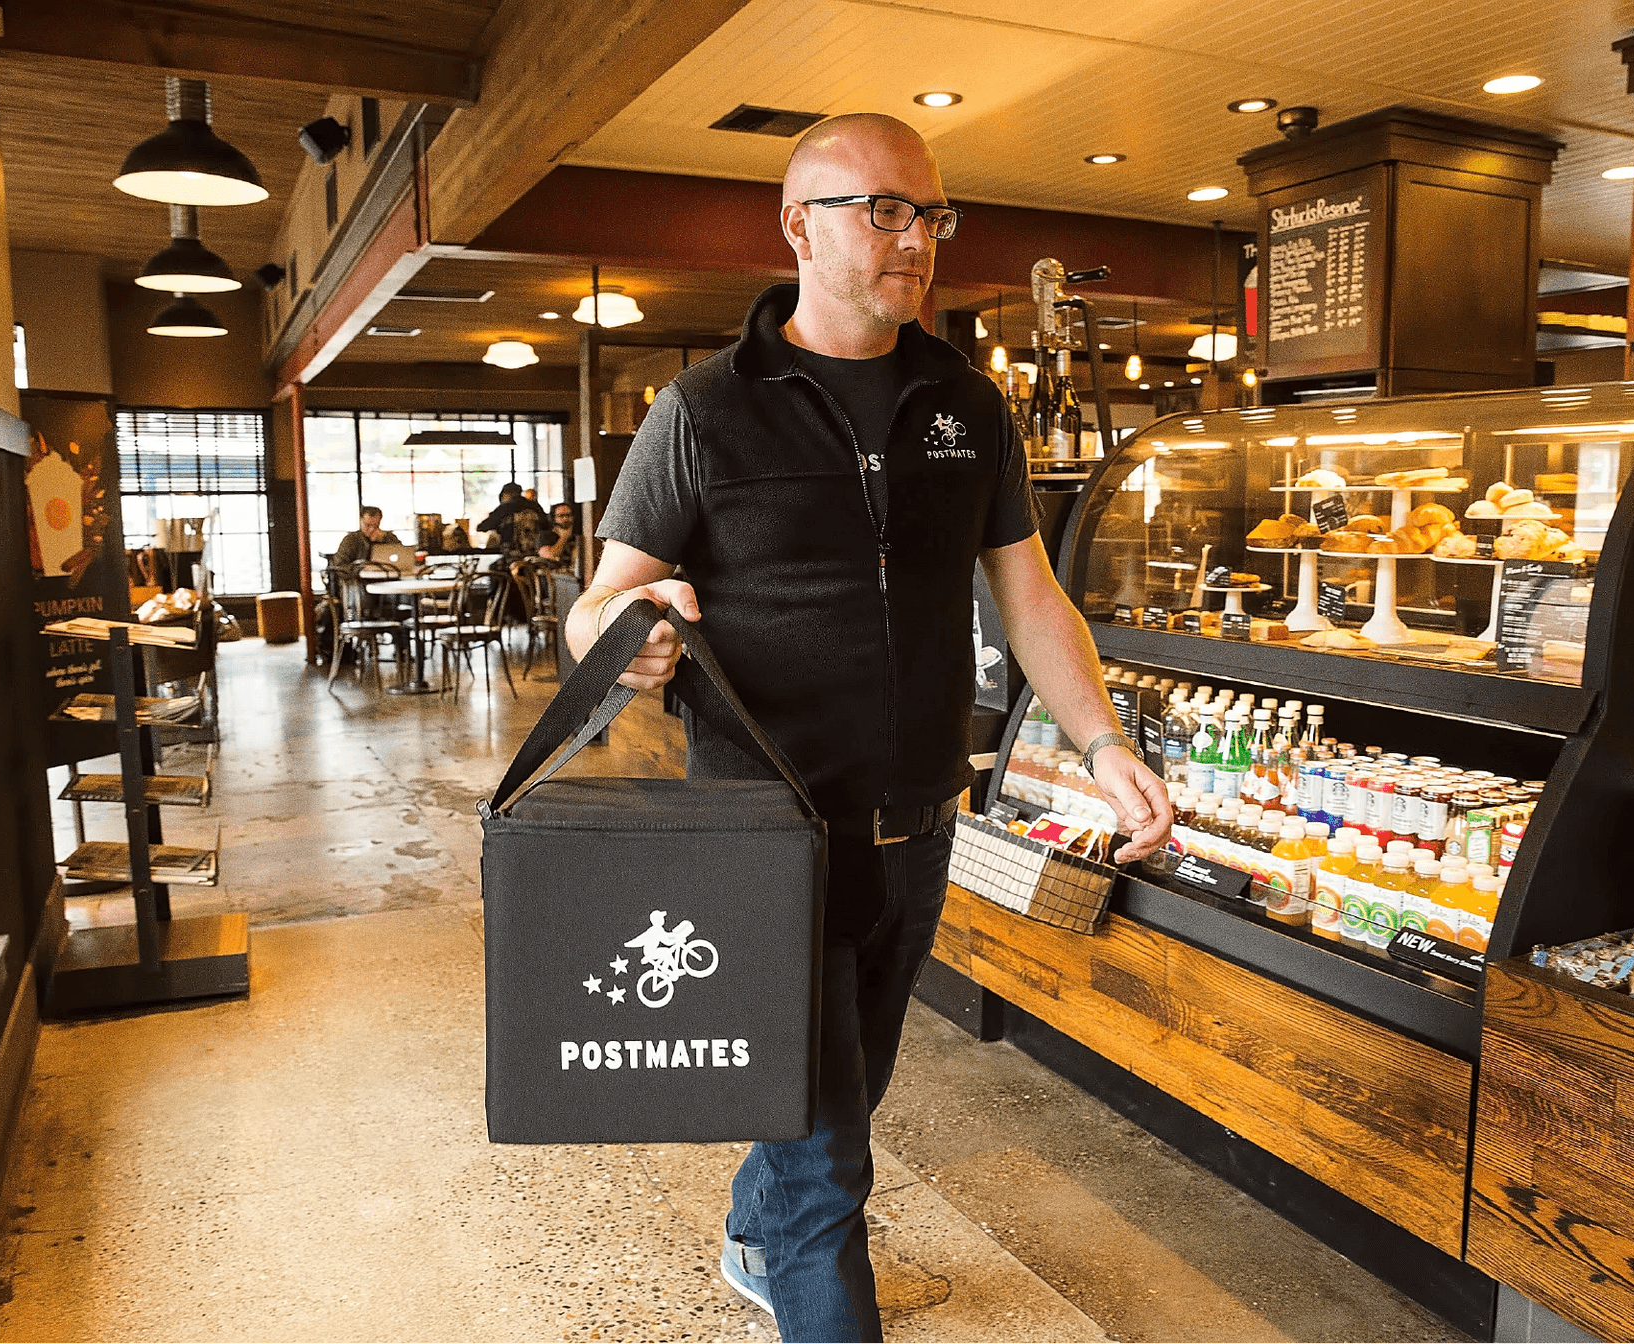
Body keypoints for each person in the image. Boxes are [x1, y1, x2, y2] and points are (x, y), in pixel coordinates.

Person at [571, 112, 1171, 1344]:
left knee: (847, 1094)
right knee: (830, 1165)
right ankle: (791, 1249)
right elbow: (593, 608)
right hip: (762, 839)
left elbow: (1029, 593)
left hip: (921, 827)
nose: (918, 239)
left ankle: (754, 1223)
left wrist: (1103, 745)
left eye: (933, 214)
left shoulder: (965, 404)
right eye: (885, 209)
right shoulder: (701, 412)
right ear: (799, 224)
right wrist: (632, 631)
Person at [331, 505, 399, 570]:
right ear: (361, 521)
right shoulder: (350, 540)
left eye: (376, 525)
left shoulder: (388, 537)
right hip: (358, 579)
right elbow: (339, 566)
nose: (372, 529)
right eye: (368, 525)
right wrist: (361, 569)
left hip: (385, 577)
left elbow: (401, 556)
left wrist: (382, 540)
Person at [477, 482, 545, 546]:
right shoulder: (535, 507)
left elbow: (483, 527)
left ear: (505, 495)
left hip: (510, 551)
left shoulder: (504, 509)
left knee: (493, 537)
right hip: (536, 550)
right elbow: (547, 525)